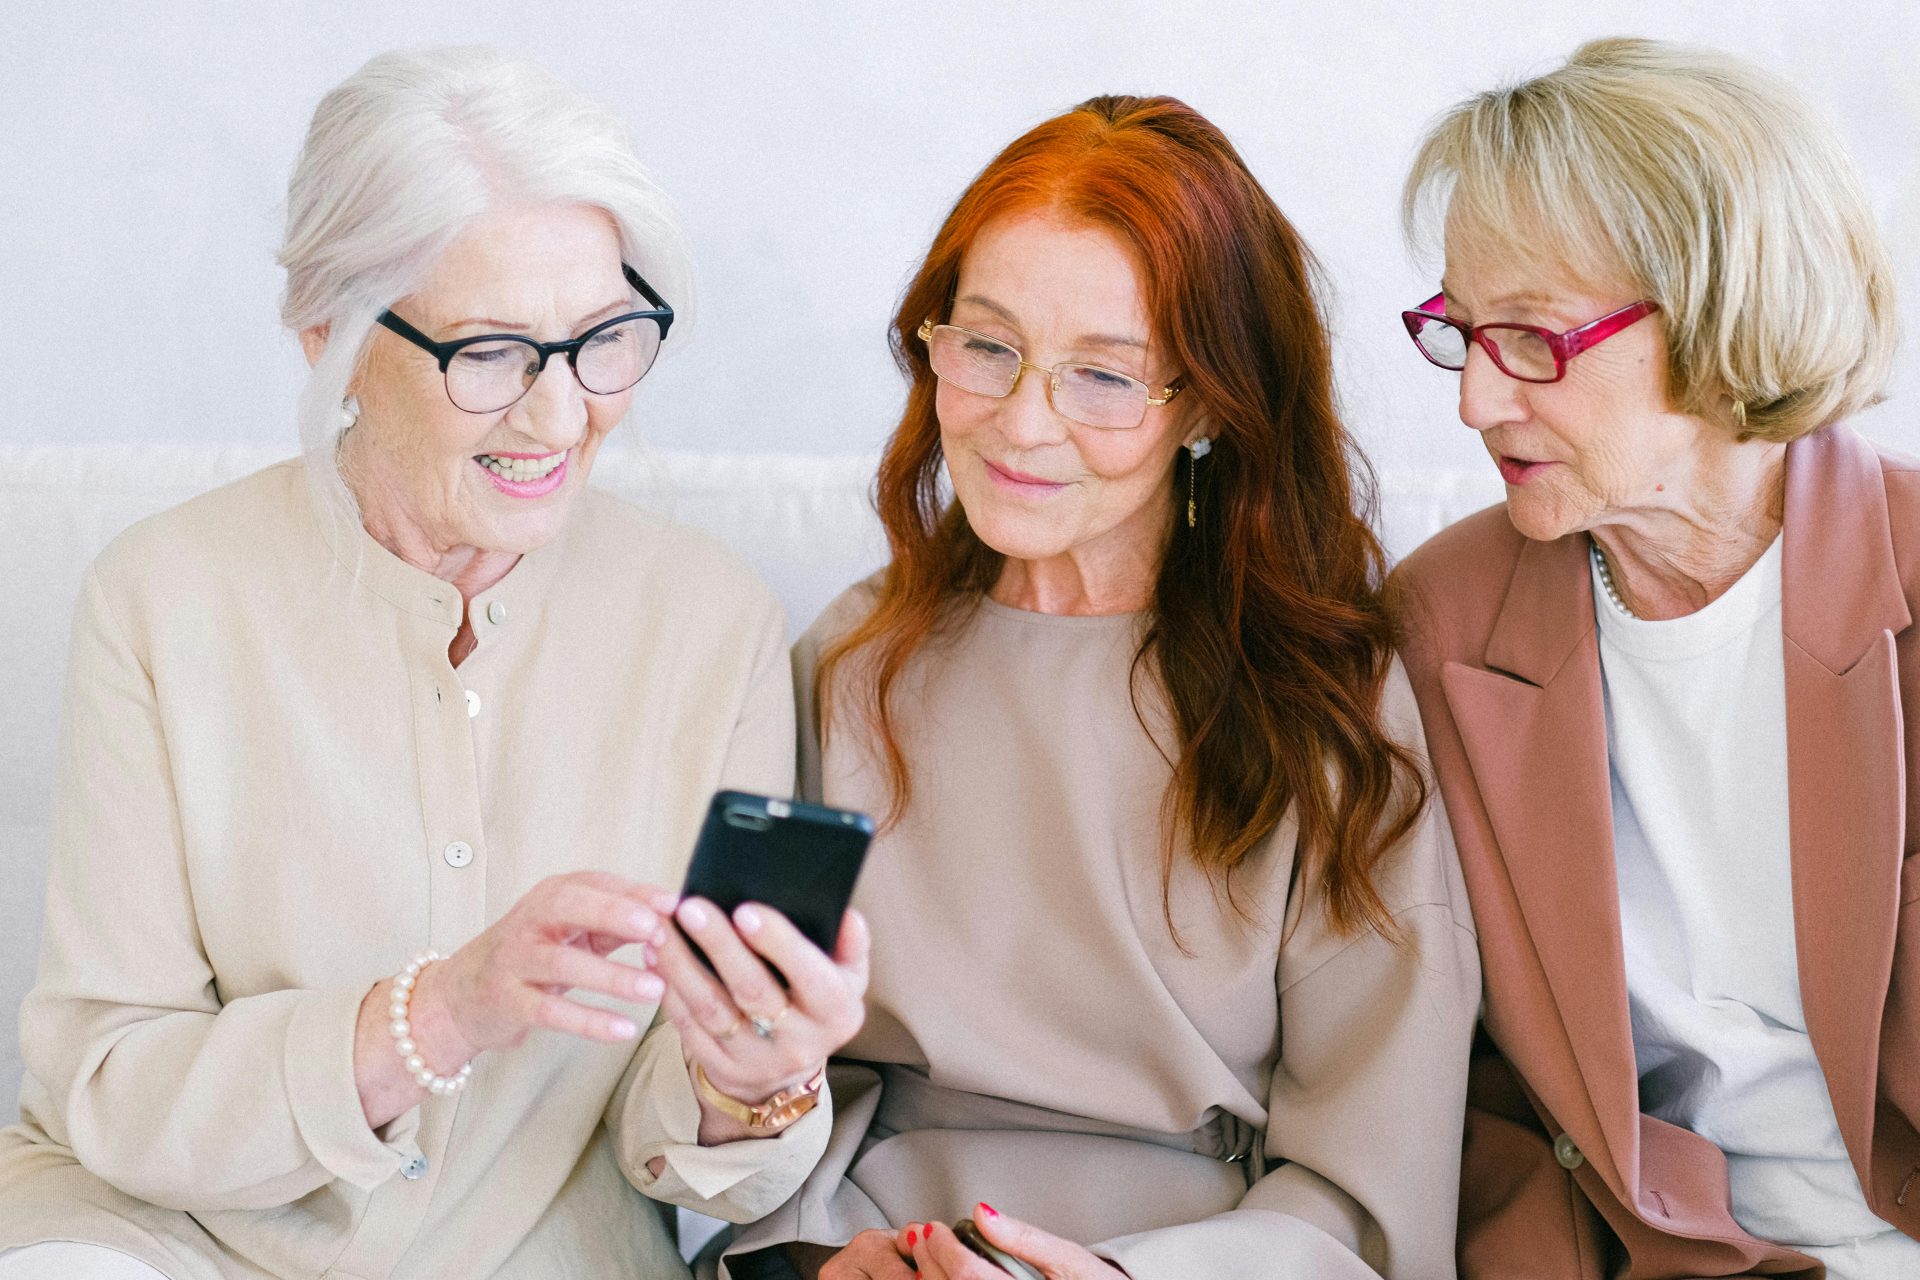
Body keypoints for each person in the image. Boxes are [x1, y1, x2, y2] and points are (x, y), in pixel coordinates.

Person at [0, 46, 867, 1280]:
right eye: (491, 353)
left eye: (603, 338)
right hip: (166, 1242)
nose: (561, 416)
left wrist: (757, 1074)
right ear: (330, 335)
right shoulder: (161, 595)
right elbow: (111, 1082)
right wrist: (438, 1012)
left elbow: (664, 1142)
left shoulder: (709, 619)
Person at [722, 95, 1479, 1280]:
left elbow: (1372, 1188)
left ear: (1208, 409)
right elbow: (756, 1075)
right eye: (986, 347)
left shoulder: (1325, 702)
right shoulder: (849, 659)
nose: (1023, 421)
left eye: (1104, 377)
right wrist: (812, 1264)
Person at [1388, 37, 1917, 1279]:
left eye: (1531, 338)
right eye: (1460, 332)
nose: (1474, 400)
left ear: (1728, 307)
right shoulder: (1440, 628)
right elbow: (1452, 1081)